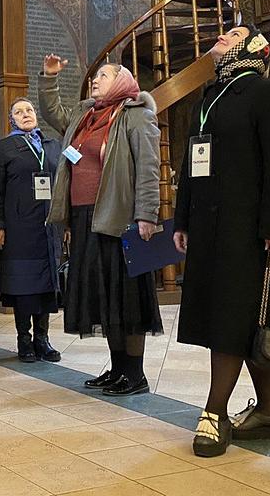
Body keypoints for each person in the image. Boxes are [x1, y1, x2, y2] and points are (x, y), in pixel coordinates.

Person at [173, 25, 270, 458]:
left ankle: (215, 412)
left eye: (235, 33)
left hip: (250, 231)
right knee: (245, 319)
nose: (223, 36)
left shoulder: (267, 94)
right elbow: (191, 161)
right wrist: (182, 218)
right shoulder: (209, 98)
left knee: (232, 316)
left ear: (253, 48)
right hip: (209, 227)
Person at [40, 55, 163, 396]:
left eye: (103, 75)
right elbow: (53, 113)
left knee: (126, 297)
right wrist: (49, 78)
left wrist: (147, 215)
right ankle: (118, 368)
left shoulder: (136, 114)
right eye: (94, 76)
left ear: (121, 81)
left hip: (119, 218)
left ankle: (134, 374)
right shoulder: (84, 114)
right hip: (84, 219)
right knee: (104, 296)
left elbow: (149, 168)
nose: (95, 80)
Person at [0, 97, 64, 362]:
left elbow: (63, 184)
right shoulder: (3, 148)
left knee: (46, 285)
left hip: (48, 226)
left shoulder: (52, 146)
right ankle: (24, 339)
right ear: (12, 120)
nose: (26, 114)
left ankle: (43, 339)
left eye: (29, 110)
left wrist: (65, 221)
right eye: (19, 112)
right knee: (24, 285)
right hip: (18, 227)